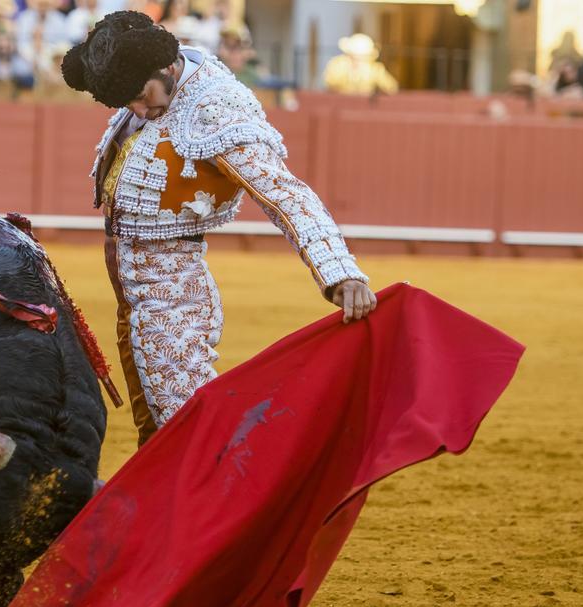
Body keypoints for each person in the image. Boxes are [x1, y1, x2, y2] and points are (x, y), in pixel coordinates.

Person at [62, 11, 375, 444]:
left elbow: (285, 193)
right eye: (127, 103)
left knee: (186, 429)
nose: (138, 110)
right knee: (155, 427)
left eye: (141, 95)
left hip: (172, 292)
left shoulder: (213, 108)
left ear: (167, 67)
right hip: (133, 295)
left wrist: (339, 272)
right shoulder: (154, 84)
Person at [323, 32, 398, 96]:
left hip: (366, 106)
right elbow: (329, 84)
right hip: (341, 105)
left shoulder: (375, 69)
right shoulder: (338, 65)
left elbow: (391, 88)